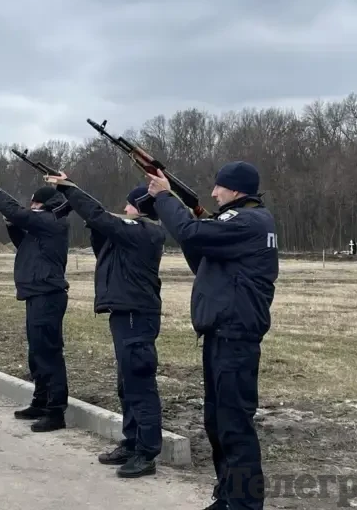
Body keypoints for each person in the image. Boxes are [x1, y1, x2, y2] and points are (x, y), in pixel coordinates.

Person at [146, 161, 279, 510]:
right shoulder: (239, 223)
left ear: (236, 190)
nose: (214, 193)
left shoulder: (249, 220)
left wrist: (165, 198)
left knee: (234, 425)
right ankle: (229, 495)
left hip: (235, 335)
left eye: (220, 187)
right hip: (221, 333)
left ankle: (245, 504)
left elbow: (191, 234)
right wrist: (183, 211)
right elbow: (200, 255)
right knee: (218, 422)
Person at [44, 172, 166, 478]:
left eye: (127, 205)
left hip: (137, 314)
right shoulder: (130, 235)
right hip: (125, 314)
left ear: (139, 207)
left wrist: (70, 190)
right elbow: (103, 234)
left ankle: (147, 452)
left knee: (140, 384)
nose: (123, 210)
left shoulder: (145, 231)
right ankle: (132, 441)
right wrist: (92, 221)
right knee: (126, 385)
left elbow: (103, 217)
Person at [0, 176, 71, 433]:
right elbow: (25, 244)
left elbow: (22, 215)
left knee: (49, 353)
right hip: (36, 293)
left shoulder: (53, 222)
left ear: (45, 205)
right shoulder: (42, 228)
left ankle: (56, 411)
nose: (32, 207)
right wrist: (11, 224)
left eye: (35, 203)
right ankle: (40, 401)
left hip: (48, 294)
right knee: (36, 352)